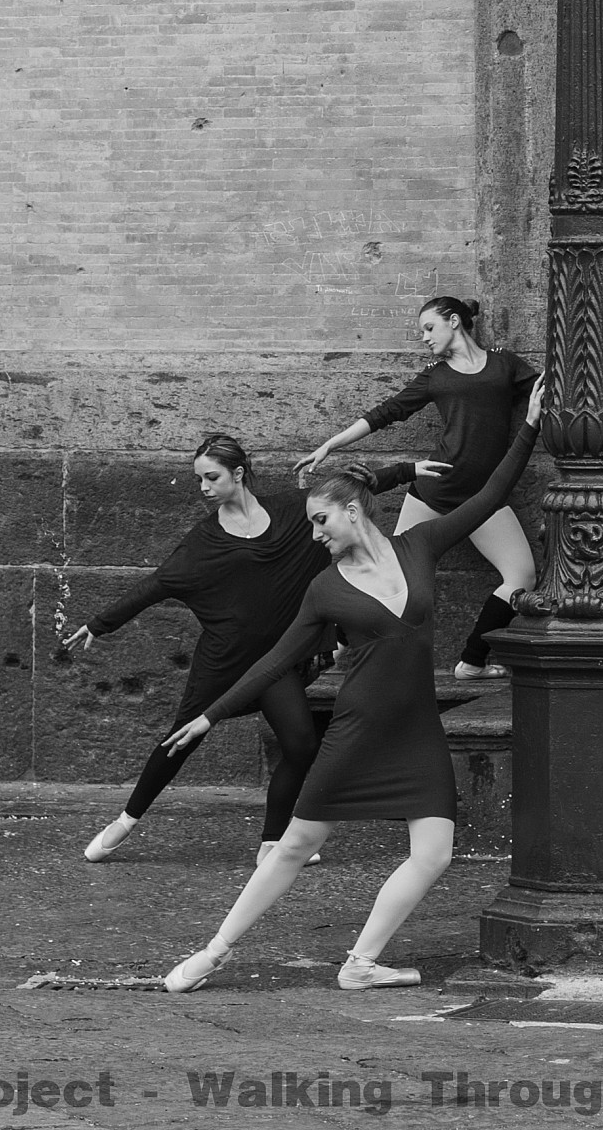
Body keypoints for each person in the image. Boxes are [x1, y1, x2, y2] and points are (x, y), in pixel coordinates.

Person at [158, 375, 543, 994]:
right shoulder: (325, 588)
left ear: (353, 509)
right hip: (358, 727)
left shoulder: (418, 546)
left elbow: (491, 491)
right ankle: (213, 953)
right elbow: (273, 662)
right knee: (292, 846)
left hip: (416, 727)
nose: (315, 535)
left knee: (434, 854)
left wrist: (531, 424)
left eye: (321, 521)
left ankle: (361, 963)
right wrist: (207, 716)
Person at [62, 431, 382, 866]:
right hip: (225, 659)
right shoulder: (204, 540)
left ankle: (272, 844)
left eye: (211, 477)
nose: (204, 488)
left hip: (276, 662)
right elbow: (158, 584)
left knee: (302, 745)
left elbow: (341, 501)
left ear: (239, 473)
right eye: (199, 480)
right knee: (182, 737)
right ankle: (125, 821)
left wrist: (401, 473)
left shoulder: (291, 510)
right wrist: (99, 624)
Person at [297, 295, 539, 677]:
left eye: (429, 328)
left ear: (455, 321)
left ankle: (473, 661)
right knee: (387, 573)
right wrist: (330, 444)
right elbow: (387, 412)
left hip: (485, 497)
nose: (424, 338)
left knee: (522, 577)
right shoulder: (435, 376)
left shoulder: (504, 363)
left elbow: (547, 390)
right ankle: (341, 646)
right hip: (434, 490)